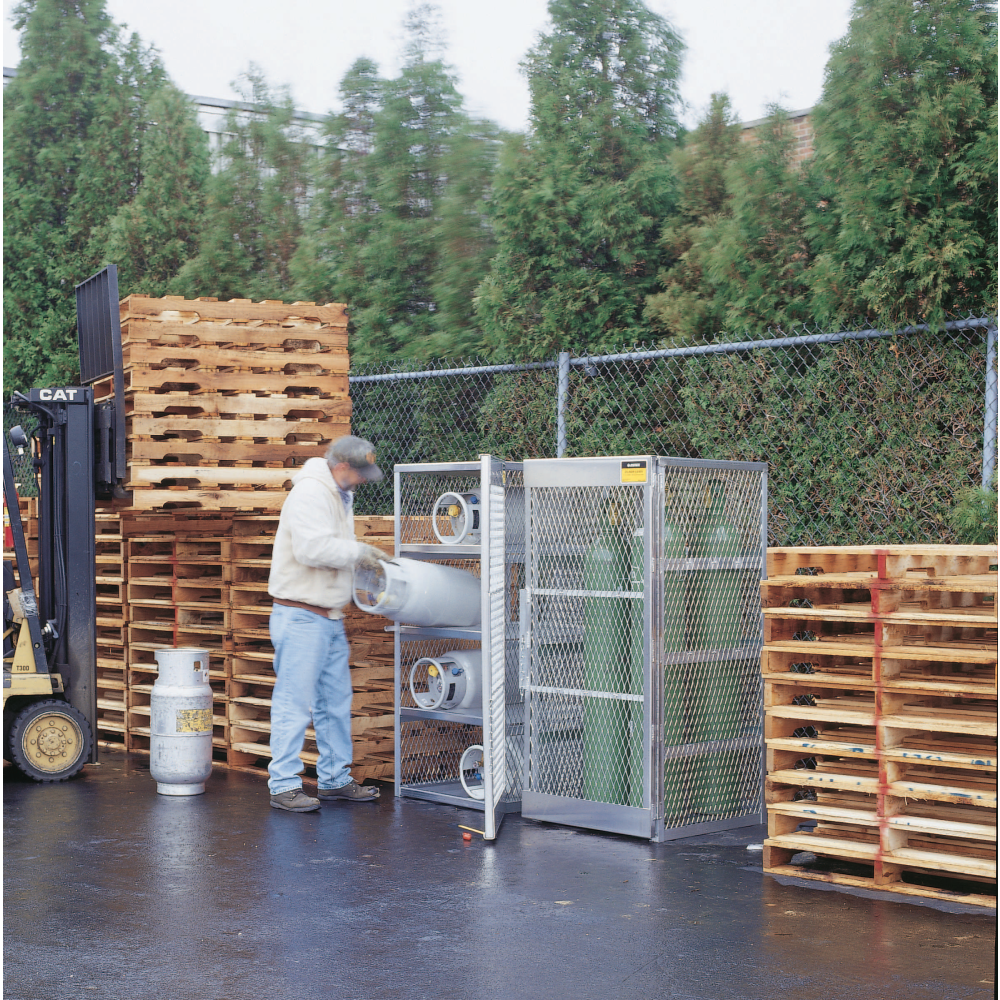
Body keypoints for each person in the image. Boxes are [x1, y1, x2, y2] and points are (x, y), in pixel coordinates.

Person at [266, 435, 392, 812]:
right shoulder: (311, 493)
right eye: (360, 473)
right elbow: (312, 549)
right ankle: (283, 785)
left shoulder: (339, 494)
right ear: (341, 467)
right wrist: (360, 553)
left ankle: (335, 779)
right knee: (294, 702)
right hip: (302, 614)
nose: (363, 480)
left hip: (327, 616)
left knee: (335, 703)